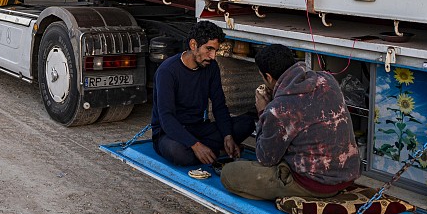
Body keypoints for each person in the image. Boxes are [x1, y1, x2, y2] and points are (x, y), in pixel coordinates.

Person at [220, 44, 361, 200]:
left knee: (229, 174)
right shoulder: (327, 80)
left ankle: (289, 193)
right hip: (347, 174)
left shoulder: (278, 109)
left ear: (268, 77)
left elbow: (265, 158)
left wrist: (263, 111)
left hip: (314, 184)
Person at [150, 21, 255, 166]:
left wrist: (227, 136)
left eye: (215, 51)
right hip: (170, 133)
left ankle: (211, 152)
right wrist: (195, 145)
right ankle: (216, 153)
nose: (212, 56)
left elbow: (219, 105)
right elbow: (166, 119)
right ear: (193, 45)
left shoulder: (211, 67)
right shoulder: (167, 72)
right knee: (179, 153)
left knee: (247, 123)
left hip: (198, 128)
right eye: (209, 49)